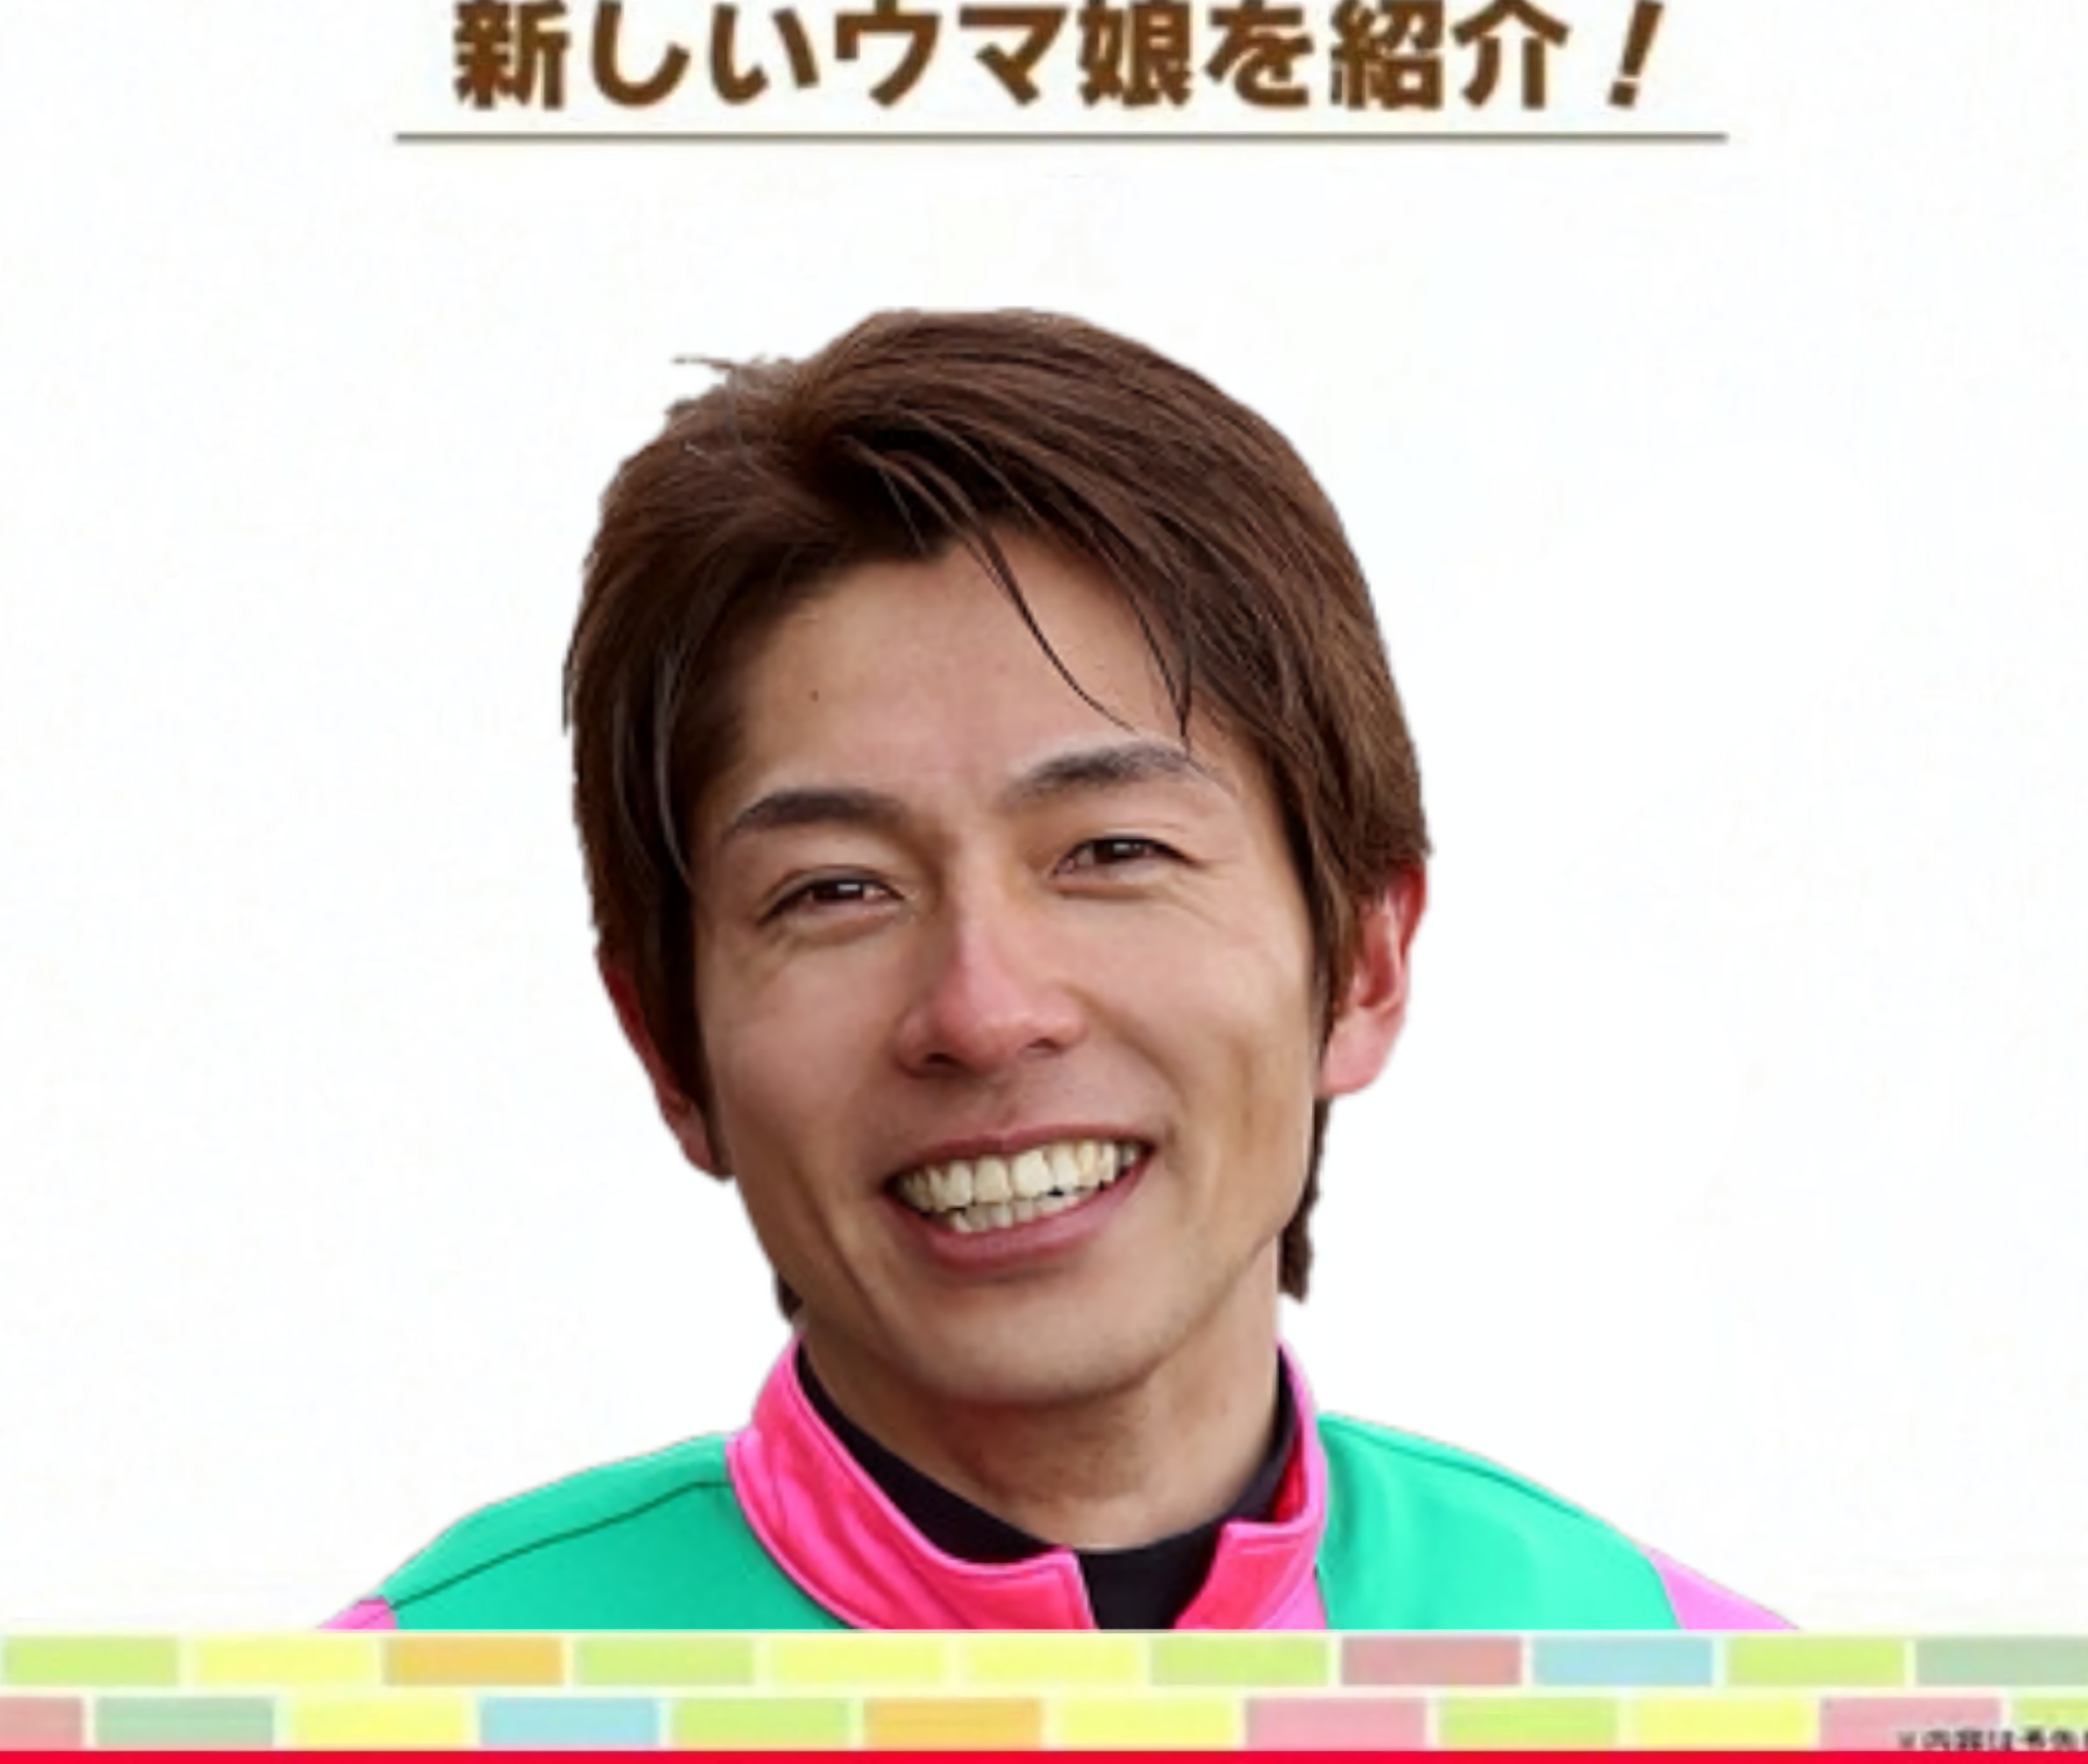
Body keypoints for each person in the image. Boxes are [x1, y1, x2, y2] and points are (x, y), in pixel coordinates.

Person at [327, 311, 1781, 1632]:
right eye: (836, 889)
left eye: (1111, 851)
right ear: (666, 1046)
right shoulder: (411, 1715)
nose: (983, 1009)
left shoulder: (1685, 1693)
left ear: (1360, 960)